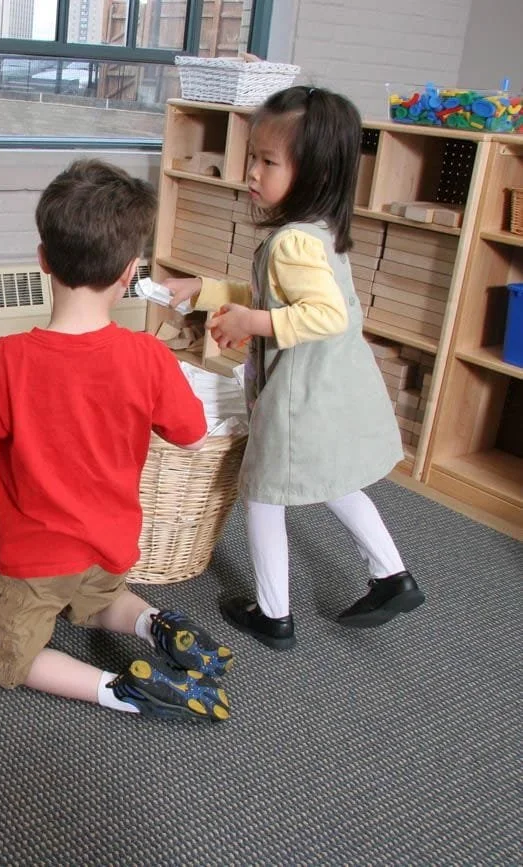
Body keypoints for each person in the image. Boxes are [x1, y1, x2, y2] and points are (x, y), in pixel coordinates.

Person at [0, 160, 233, 722]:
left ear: (42, 260)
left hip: (35, 561)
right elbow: (193, 433)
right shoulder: (150, 357)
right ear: (130, 271)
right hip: (111, 550)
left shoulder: (9, 358)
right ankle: (154, 624)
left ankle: (119, 689)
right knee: (99, 601)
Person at [166, 86, 425, 650]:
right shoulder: (319, 234)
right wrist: (207, 289)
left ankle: (272, 613)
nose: (251, 172)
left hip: (299, 400)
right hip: (331, 392)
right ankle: (391, 574)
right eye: (251, 157)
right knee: (336, 483)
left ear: (311, 173)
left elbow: (323, 315)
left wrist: (250, 325)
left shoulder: (290, 244)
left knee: (262, 494)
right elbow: (275, 296)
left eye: (267, 161)